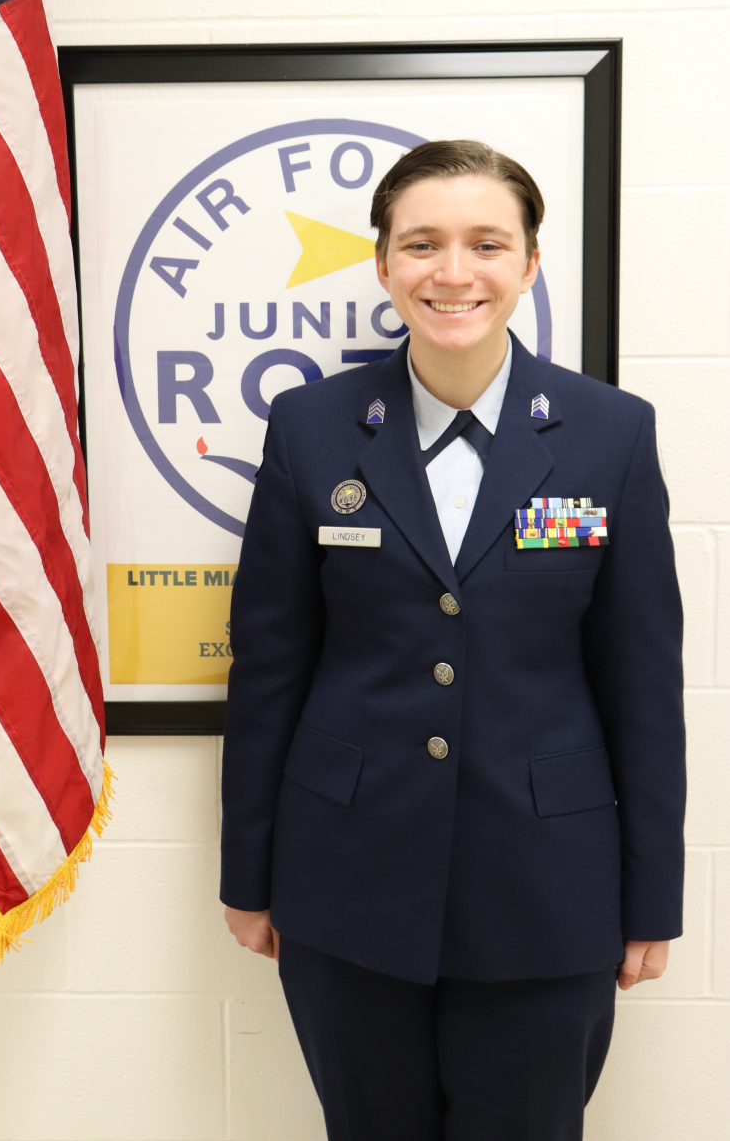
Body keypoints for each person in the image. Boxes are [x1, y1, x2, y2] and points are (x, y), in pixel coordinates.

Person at [220, 139, 685, 1140]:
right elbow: (269, 668)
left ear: (529, 262)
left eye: (487, 243)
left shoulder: (611, 434)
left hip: (549, 889)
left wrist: (652, 896)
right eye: (422, 243)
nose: (454, 272)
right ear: (383, 264)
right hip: (345, 878)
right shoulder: (310, 428)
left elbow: (643, 683)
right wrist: (248, 878)